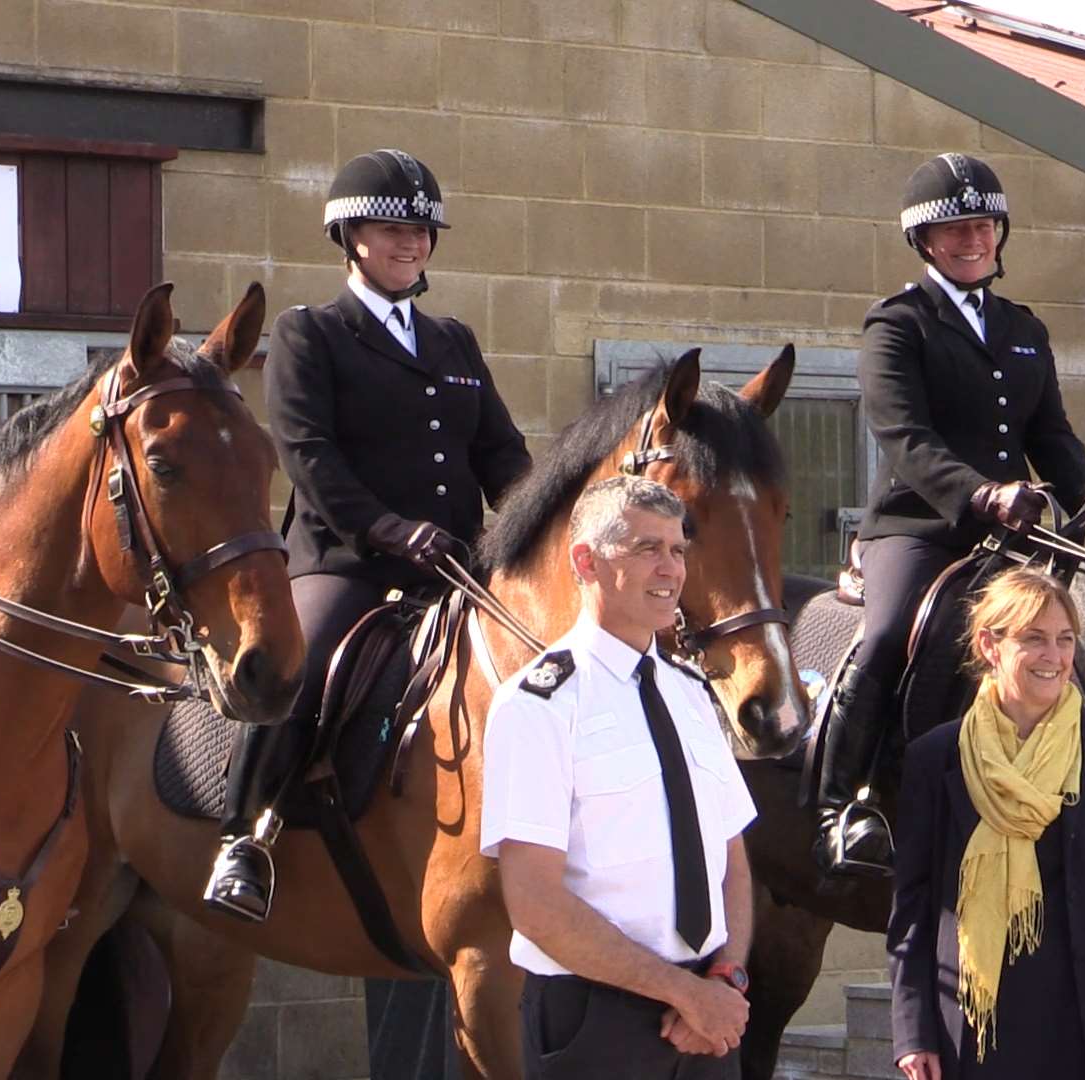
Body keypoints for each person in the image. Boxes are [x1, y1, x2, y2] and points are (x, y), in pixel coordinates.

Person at [203, 147, 531, 922]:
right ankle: (243, 836)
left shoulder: (453, 342)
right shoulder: (310, 333)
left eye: (422, 229)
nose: (410, 242)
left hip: (454, 564)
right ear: (352, 236)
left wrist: (535, 525)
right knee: (300, 663)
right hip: (348, 562)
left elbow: (502, 455)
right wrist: (385, 528)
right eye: (392, 228)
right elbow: (306, 452)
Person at [813, 152, 1085, 877]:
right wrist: (983, 494)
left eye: (983, 225)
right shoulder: (899, 325)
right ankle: (844, 804)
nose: (972, 240)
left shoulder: (1024, 327)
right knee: (884, 636)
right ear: (926, 242)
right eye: (955, 230)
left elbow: (1053, 437)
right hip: (920, 527)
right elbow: (904, 438)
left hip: (1016, 532)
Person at [482, 475, 758, 1080]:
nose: (671, 569)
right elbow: (535, 903)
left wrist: (725, 977)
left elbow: (731, 862)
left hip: (711, 1014)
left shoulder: (691, 694)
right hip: (596, 1020)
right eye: (647, 549)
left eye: (679, 550)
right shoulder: (538, 704)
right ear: (586, 561)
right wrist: (683, 995)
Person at [887, 568, 1085, 1080]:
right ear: (989, 645)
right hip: (978, 1023)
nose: (1055, 657)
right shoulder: (936, 757)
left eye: (1065, 640)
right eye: (1034, 639)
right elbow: (913, 907)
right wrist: (913, 1030)